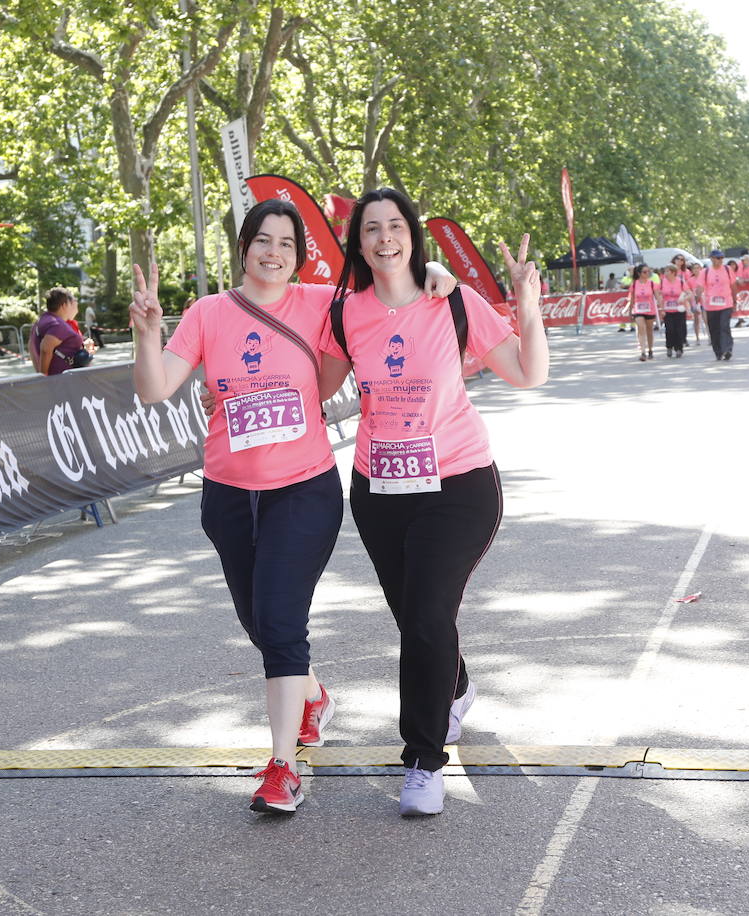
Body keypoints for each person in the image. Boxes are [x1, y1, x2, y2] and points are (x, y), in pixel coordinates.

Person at [140, 199, 459, 815]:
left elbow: (390, 287)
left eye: (287, 244)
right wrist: (149, 330)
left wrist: (440, 275)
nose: (274, 253)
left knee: (281, 622)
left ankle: (282, 766)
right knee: (259, 621)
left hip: (303, 488)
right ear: (244, 246)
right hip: (229, 494)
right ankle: (311, 694)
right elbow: (155, 388)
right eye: (263, 241)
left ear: (300, 256)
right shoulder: (208, 313)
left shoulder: (319, 305)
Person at [319, 187, 547, 816]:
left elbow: (528, 373)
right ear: (358, 243)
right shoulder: (345, 312)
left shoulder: (454, 301)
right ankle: (457, 685)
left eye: (396, 226)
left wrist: (526, 305)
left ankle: (422, 760)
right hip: (380, 490)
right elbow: (310, 391)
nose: (385, 238)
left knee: (423, 616)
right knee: (420, 618)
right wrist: (230, 395)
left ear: (413, 235)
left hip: (459, 485)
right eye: (372, 229)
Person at [30, 288, 96, 375]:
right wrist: (43, 376)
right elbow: (45, 349)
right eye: (71, 302)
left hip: (61, 378)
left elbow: (32, 347)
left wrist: (40, 372)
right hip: (63, 379)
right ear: (64, 305)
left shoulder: (41, 321)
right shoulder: (57, 324)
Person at [702, 250, 736, 360]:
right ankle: (718, 351)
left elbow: (733, 285)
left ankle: (727, 349)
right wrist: (697, 296)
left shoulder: (727, 269)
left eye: (721, 258)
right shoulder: (705, 272)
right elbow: (699, 287)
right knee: (714, 329)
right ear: (711, 258)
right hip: (711, 306)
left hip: (726, 304)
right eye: (718, 258)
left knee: (724, 326)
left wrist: (735, 300)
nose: (720, 260)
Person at [627, 264, 658, 360]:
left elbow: (657, 297)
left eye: (648, 271)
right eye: (645, 272)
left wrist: (661, 308)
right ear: (639, 273)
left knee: (649, 331)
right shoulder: (634, 284)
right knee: (641, 328)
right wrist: (630, 311)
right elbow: (632, 299)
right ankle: (643, 352)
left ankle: (650, 350)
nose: (647, 273)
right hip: (638, 310)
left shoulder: (652, 284)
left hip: (650, 310)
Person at [659, 265, 688, 357]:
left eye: (667, 271)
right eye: (665, 271)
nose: (665, 273)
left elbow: (689, 293)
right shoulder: (662, 282)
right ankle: (669, 346)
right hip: (667, 310)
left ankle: (679, 348)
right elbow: (660, 297)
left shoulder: (681, 282)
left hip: (679, 309)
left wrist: (683, 298)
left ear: (673, 272)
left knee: (679, 329)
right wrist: (661, 309)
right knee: (670, 329)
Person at [685, 259, 705, 344]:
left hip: (704, 300)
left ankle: (710, 338)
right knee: (696, 320)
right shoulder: (690, 280)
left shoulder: (704, 278)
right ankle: (697, 338)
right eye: (694, 268)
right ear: (692, 270)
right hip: (694, 301)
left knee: (706, 319)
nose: (696, 270)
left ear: (701, 269)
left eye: (698, 268)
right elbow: (688, 291)